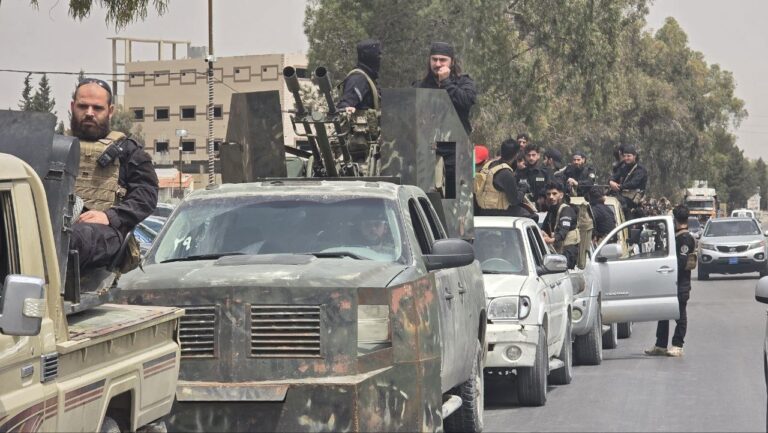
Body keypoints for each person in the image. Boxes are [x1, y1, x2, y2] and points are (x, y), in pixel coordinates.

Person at [69, 78, 159, 271]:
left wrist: (110, 216)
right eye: (83, 106)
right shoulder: (55, 147)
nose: (89, 113)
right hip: (57, 226)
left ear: (110, 111)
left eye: (97, 108)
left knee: (72, 238)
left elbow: (146, 196)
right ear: (72, 106)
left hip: (106, 235)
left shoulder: (128, 152)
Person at [645, 204, 695, 357]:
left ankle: (678, 345)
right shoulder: (677, 236)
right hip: (669, 283)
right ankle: (660, 345)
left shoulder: (685, 238)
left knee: (680, 315)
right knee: (664, 313)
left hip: (680, 283)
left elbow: (680, 262)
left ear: (675, 219)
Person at [416, 42, 477, 135]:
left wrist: (446, 82)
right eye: (434, 59)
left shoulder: (464, 82)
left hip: (453, 141)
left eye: (442, 60)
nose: (437, 64)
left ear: (452, 62)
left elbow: (466, 101)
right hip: (426, 140)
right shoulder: (420, 86)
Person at [474, 139, 534, 217]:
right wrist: (523, 188)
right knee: (533, 216)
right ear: (516, 155)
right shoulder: (505, 173)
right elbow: (514, 200)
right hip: (498, 211)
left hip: (483, 210)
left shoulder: (489, 165)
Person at [541, 182, 580, 269]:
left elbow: (563, 230)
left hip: (568, 253)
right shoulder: (551, 211)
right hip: (557, 251)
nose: (551, 197)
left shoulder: (566, 210)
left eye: (554, 194)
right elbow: (543, 229)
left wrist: (551, 240)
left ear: (561, 195)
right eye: (548, 194)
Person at [337, 39, 382, 114]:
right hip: (360, 125)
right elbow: (345, 105)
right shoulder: (358, 78)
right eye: (377, 55)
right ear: (368, 56)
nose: (380, 58)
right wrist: (346, 108)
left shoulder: (368, 78)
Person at [609, 145, 647, 219]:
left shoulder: (640, 169)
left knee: (621, 205)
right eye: (625, 156)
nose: (626, 158)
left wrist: (619, 187)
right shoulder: (623, 167)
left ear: (634, 156)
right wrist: (611, 182)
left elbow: (633, 183)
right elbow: (614, 176)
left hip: (633, 199)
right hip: (621, 195)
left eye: (629, 156)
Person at [515, 143, 552, 208]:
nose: (531, 158)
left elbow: (551, 188)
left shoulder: (545, 172)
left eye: (533, 155)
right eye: (528, 155)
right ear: (525, 156)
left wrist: (542, 197)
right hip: (525, 208)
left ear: (538, 155)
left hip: (543, 208)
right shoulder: (520, 174)